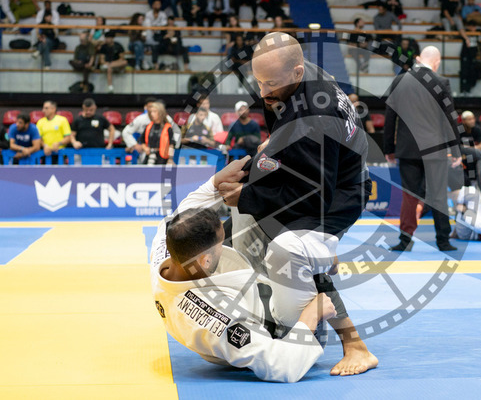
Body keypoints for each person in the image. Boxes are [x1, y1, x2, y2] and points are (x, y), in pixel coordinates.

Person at [218, 32, 378, 376]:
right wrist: (274, 144)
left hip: (337, 193)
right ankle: (309, 266)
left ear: (298, 72)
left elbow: (313, 198)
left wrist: (247, 195)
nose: (263, 92)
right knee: (241, 229)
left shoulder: (313, 120)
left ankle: (355, 345)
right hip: (323, 166)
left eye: (270, 84)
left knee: (290, 250)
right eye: (259, 82)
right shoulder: (294, 77)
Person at [150, 159, 338, 382]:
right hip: (287, 332)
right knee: (288, 247)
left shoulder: (170, 249)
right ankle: (320, 255)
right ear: (205, 260)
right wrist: (312, 316)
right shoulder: (217, 322)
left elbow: (179, 216)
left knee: (246, 200)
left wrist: (215, 182)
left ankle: (315, 253)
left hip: (254, 290)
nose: (224, 244)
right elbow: (283, 365)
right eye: (220, 244)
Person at [384, 46, 461, 252]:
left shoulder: (399, 81)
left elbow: (390, 117)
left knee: (410, 196)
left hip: (407, 149)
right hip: (435, 148)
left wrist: (389, 148)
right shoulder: (441, 82)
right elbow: (450, 119)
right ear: (437, 61)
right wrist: (456, 151)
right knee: (438, 196)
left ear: (419, 59)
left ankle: (405, 241)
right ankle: (443, 241)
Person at [459, 20, 481, 96]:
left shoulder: (477, 31)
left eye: (474, 26)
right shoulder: (466, 31)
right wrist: (466, 39)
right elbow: (461, 30)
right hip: (466, 54)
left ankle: (468, 90)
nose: (473, 28)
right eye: (472, 26)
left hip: (474, 55)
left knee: (473, 72)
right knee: (464, 72)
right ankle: (462, 90)